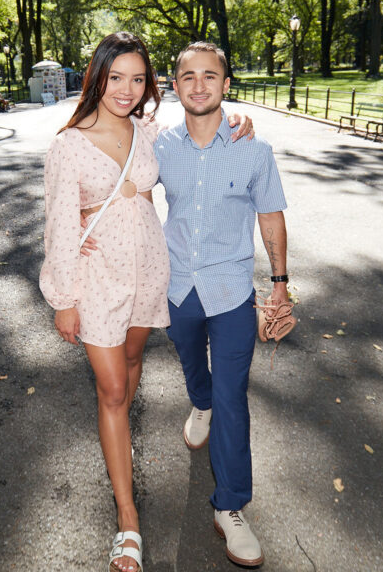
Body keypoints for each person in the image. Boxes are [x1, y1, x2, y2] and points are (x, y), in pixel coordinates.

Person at [39, 32, 252, 572]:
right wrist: (64, 299)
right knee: (113, 389)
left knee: (132, 364)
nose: (127, 89)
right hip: (97, 279)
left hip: (149, 271)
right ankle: (128, 517)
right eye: (116, 77)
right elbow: (59, 227)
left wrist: (237, 121)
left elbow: (200, 129)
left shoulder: (149, 132)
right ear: (97, 76)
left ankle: (117, 441)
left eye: (138, 79)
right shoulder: (68, 145)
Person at [156, 41, 288, 568]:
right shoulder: (158, 146)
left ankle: (230, 505)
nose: (199, 85)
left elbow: (271, 215)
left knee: (233, 395)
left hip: (232, 290)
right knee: (194, 367)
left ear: (226, 85)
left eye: (210, 76)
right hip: (177, 287)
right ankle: (200, 402)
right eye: (188, 76)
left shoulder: (254, 149)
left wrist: (279, 284)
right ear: (175, 86)